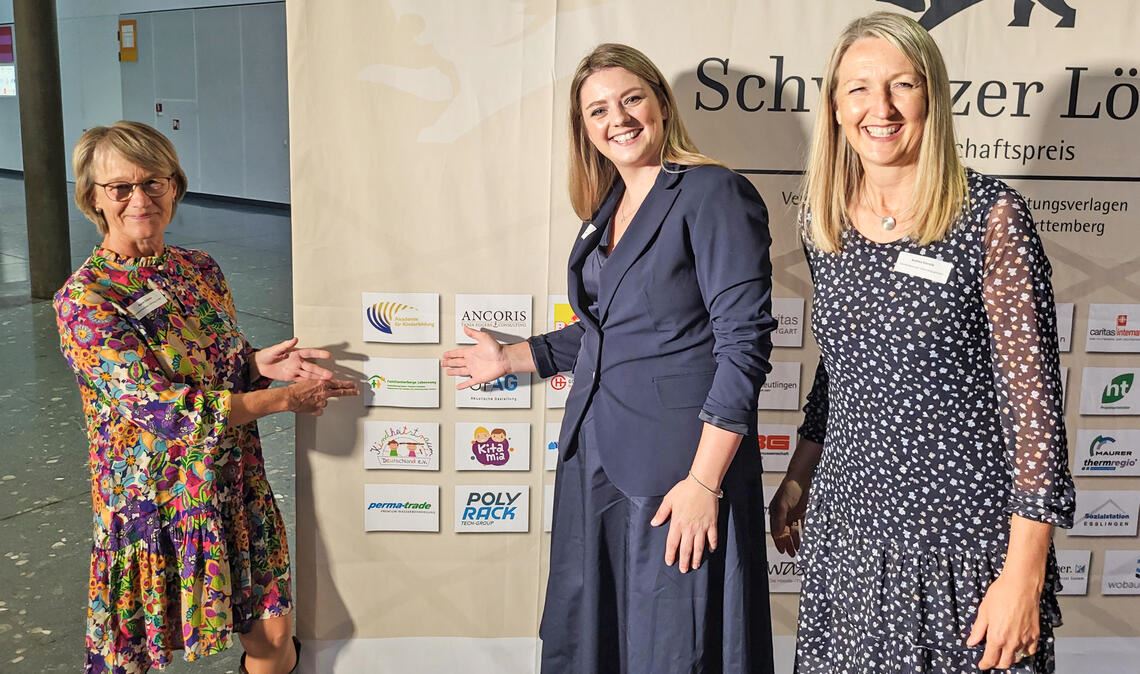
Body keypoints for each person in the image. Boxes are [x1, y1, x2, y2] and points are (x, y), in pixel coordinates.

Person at [443, 43, 777, 673]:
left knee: (671, 646)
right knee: (592, 639)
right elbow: (613, 330)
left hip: (677, 468)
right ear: (585, 129)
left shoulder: (712, 192)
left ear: (661, 104)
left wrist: (704, 482)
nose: (617, 119)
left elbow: (744, 346)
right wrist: (513, 357)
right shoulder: (609, 207)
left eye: (630, 100)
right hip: (595, 457)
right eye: (598, 110)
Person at [767, 12, 1075, 673]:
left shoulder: (990, 217)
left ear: (931, 95)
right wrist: (799, 472)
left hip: (961, 546)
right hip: (850, 539)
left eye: (901, 85)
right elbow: (844, 366)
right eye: (858, 88)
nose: (879, 108)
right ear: (835, 106)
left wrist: (1024, 574)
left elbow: (1034, 414)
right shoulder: (823, 219)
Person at [54, 121, 359, 674]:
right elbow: (166, 411)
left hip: (233, 482)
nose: (140, 199)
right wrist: (284, 401)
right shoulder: (85, 299)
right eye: (120, 187)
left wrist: (256, 365)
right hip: (156, 501)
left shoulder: (198, 270)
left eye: (154, 182)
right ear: (93, 198)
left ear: (174, 186)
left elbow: (219, 363)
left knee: (273, 636)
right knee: (134, 656)